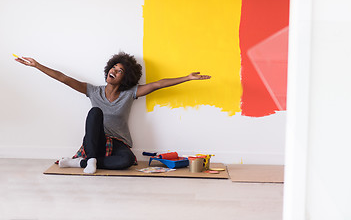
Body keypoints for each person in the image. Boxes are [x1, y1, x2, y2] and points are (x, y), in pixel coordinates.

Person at [14, 52, 211, 174]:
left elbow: (157, 85)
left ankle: (82, 163)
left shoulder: (129, 94)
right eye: (114, 68)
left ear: (126, 79)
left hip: (119, 144)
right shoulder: (93, 91)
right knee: (95, 112)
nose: (114, 71)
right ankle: (90, 159)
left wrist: (187, 77)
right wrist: (37, 65)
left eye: (120, 71)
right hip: (96, 141)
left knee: (126, 161)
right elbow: (64, 79)